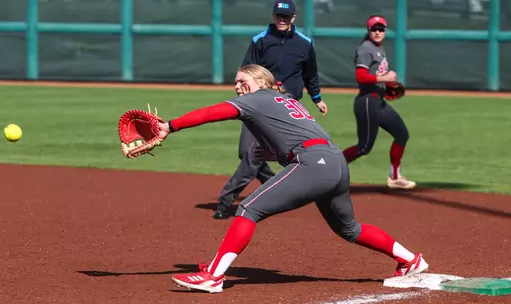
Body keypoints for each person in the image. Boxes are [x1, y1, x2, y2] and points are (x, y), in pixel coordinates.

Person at [154, 64, 429, 293]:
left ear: (261, 80)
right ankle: (409, 260)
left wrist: (170, 126)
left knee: (249, 208)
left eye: (242, 80)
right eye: (235, 83)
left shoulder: (256, 98)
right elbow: (292, 142)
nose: (237, 86)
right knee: (350, 230)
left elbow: (213, 113)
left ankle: (214, 276)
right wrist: (274, 152)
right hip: (335, 162)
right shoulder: (285, 100)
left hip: (314, 163)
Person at [214, 0, 329, 220]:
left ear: (293, 18)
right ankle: (271, 183)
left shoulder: (304, 43)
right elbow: (246, 71)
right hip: (260, 104)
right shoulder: (260, 41)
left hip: (287, 109)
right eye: (279, 16)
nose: (282, 20)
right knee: (246, 152)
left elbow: (310, 74)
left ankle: (225, 201)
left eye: (286, 17)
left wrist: (317, 98)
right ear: (274, 16)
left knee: (253, 155)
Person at [341, 15, 417, 190]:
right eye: (374, 29)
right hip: (367, 101)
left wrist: (387, 85)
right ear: (369, 31)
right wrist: (386, 77)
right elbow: (360, 76)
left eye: (380, 29)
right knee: (364, 147)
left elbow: (375, 76)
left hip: (377, 100)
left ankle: (395, 177)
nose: (377, 32)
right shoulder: (366, 49)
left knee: (401, 134)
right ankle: (328, 170)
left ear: (385, 31)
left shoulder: (378, 49)